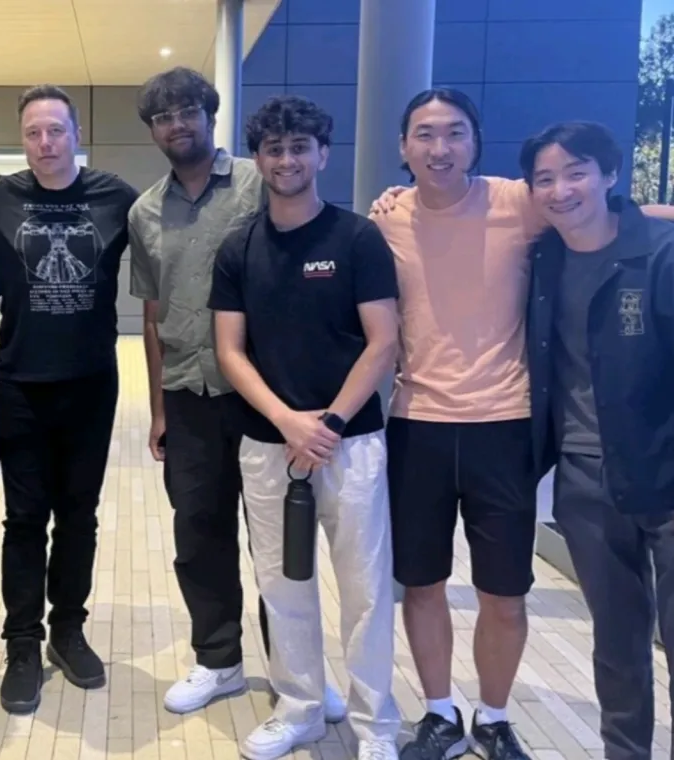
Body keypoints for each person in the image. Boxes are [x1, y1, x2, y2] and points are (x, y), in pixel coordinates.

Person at [367, 88, 674, 760]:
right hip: (416, 423)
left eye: (455, 132)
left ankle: (495, 717)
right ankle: (439, 714)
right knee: (422, 585)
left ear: (476, 141)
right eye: (425, 134)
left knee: (504, 593)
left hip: (505, 427)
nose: (440, 148)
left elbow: (607, 212)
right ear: (404, 146)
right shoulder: (385, 220)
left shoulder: (519, 202)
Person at [126, 66, 345, 721]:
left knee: (278, 542)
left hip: (264, 394)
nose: (176, 124)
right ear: (153, 130)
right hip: (188, 395)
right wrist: (159, 408)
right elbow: (153, 314)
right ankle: (218, 660)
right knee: (199, 534)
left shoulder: (260, 180)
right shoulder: (145, 211)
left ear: (210, 114)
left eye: (187, 111)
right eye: (163, 117)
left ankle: (297, 672)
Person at [209, 94, 401, 760]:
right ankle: (300, 708)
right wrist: (288, 421)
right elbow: (230, 351)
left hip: (352, 443)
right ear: (258, 159)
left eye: (299, 148)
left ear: (322, 154)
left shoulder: (357, 238)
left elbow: (383, 341)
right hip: (270, 445)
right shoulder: (238, 247)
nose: (286, 160)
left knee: (366, 590)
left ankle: (377, 726)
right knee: (282, 584)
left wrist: (331, 422)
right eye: (274, 149)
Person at [0, 84, 139, 714]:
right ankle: (22, 643)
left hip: (91, 384)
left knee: (80, 516)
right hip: (20, 385)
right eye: (33, 132)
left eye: (56, 130)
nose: (45, 143)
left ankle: (67, 629)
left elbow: (179, 233)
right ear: (22, 139)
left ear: (76, 134)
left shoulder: (117, 198)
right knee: (25, 519)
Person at [520, 121, 674, 760]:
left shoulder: (661, 254)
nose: (560, 190)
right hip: (583, 479)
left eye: (576, 172)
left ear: (610, 174)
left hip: (665, 472)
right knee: (616, 642)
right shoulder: (543, 260)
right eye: (545, 178)